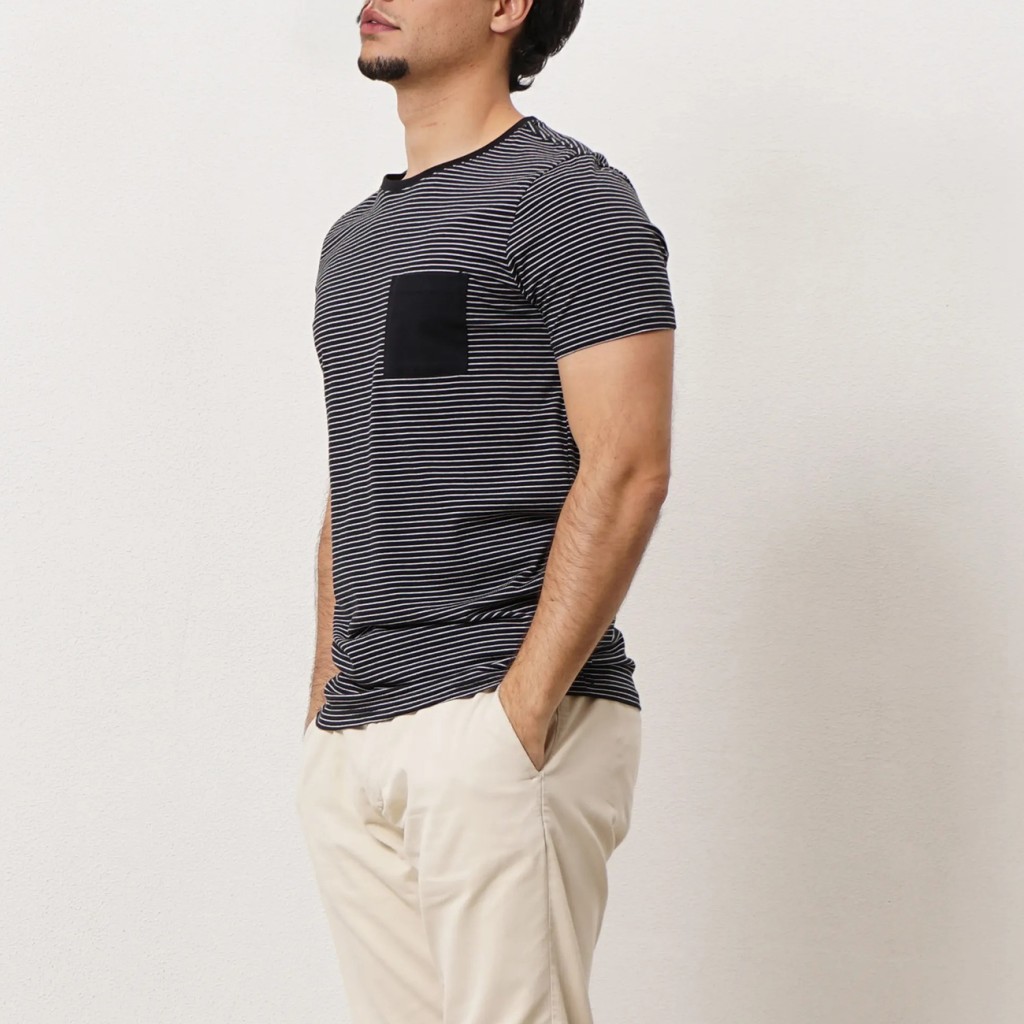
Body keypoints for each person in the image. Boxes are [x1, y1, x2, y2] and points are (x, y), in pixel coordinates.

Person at [295, 0, 676, 1019]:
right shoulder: (353, 243)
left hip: (498, 720)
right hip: (360, 734)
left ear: (508, 7)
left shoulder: (568, 200)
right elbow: (359, 466)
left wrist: (518, 713)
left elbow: (629, 464)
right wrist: (325, 703)